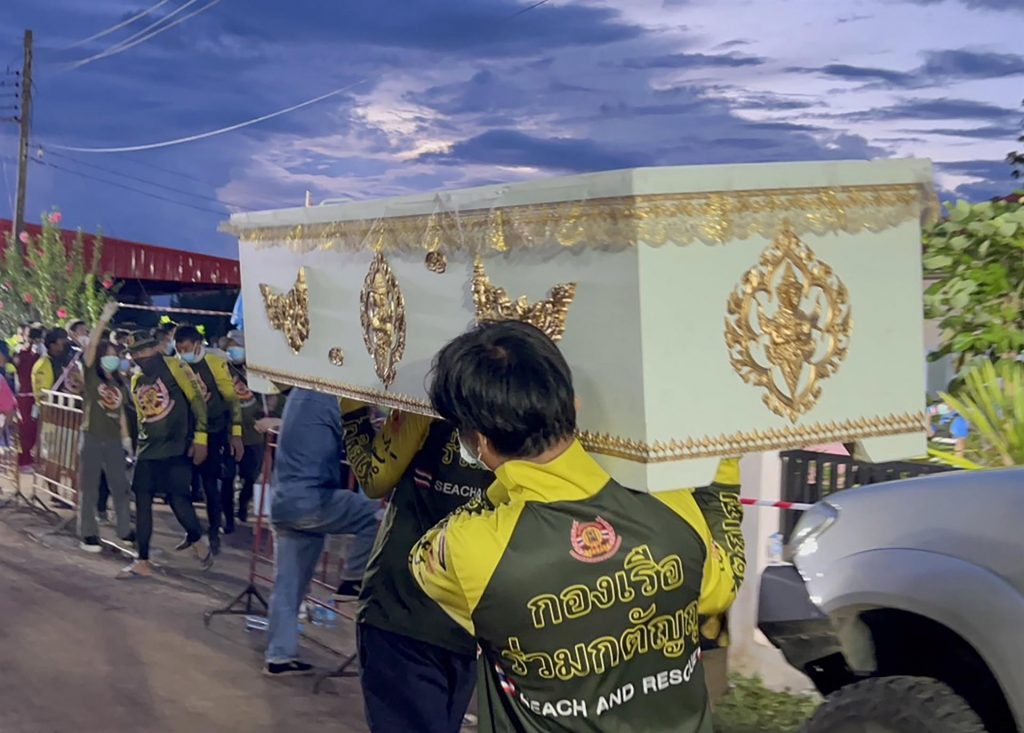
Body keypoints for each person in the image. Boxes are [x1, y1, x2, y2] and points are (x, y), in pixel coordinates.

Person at [411, 321, 745, 732]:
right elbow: (722, 586)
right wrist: (723, 471)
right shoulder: (669, 503)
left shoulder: (471, 548)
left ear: (478, 441)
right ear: (572, 403)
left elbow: (423, 561)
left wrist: (508, 482)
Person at [339, 396, 494, 733]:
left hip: (404, 611)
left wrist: (352, 412)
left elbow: (375, 478)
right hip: (467, 619)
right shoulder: (531, 410)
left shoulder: (428, 393)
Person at [263, 388, 379, 677]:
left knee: (287, 588)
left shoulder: (298, 395)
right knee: (375, 515)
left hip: (282, 501)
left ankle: (279, 656)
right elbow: (359, 444)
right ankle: (352, 581)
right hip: (312, 501)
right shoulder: (334, 398)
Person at [120, 330, 212, 579]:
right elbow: (142, 416)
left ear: (155, 348)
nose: (139, 356)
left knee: (177, 498)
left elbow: (197, 401)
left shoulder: (176, 366)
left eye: (143, 351)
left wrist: (200, 438)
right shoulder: (136, 379)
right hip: (147, 450)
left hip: (176, 446)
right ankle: (142, 559)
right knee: (142, 500)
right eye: (134, 353)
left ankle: (197, 536)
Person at [174, 325, 243, 554]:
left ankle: (214, 533)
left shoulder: (215, 363)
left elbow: (232, 401)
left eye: (185, 348)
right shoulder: (177, 366)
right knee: (181, 484)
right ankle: (193, 531)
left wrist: (236, 434)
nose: (181, 353)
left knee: (209, 484)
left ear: (197, 344)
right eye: (178, 349)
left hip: (214, 433)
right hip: (186, 433)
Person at [77, 303, 134, 553]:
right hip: (92, 436)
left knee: (120, 487)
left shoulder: (118, 383)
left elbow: (120, 414)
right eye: (109, 354)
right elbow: (91, 346)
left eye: (116, 355)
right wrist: (104, 318)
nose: (114, 358)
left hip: (113, 441)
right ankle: (88, 534)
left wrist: (126, 440)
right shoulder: (92, 375)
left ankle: (124, 530)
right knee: (89, 488)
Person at [220, 331, 269, 527]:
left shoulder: (258, 372)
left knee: (250, 476)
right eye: (230, 347)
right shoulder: (222, 370)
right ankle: (228, 520)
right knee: (227, 478)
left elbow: (271, 398)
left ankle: (242, 505)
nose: (233, 350)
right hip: (230, 434)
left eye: (237, 346)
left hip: (253, 435)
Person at [14, 325, 43, 470]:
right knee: (26, 428)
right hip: (25, 396)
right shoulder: (21, 353)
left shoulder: (39, 354)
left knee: (33, 428)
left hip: (35, 396)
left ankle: (30, 459)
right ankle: (24, 460)